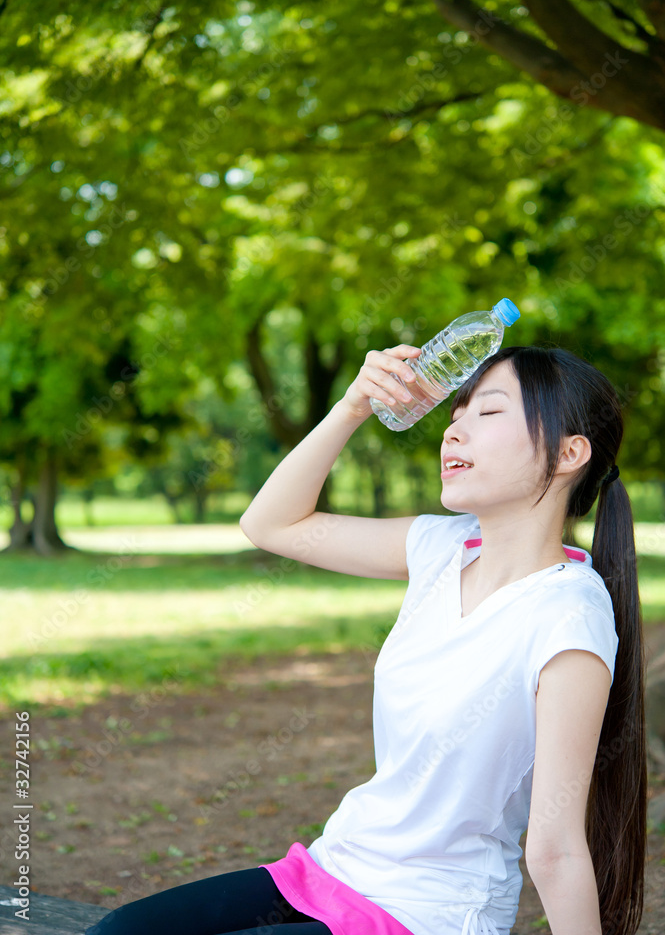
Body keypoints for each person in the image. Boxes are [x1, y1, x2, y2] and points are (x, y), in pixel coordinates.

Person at [85, 342, 648, 935]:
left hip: (427, 914)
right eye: (456, 414)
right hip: (331, 871)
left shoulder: (568, 615)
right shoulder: (440, 548)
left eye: (488, 413)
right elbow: (270, 524)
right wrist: (354, 405)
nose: (453, 431)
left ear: (568, 453)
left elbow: (555, 848)